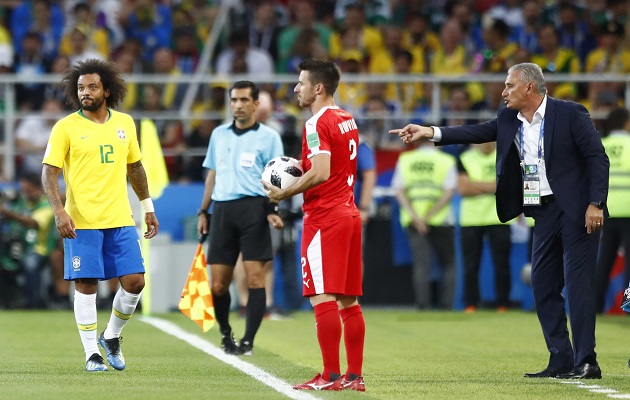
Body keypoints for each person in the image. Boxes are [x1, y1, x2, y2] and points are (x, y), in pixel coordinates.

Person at [390, 63, 609, 379]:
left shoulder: (570, 113)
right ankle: (560, 358)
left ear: (529, 87)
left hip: (578, 211)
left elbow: (597, 158)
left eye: (509, 86)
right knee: (542, 285)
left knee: (577, 287)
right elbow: (477, 131)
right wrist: (429, 131)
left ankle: (586, 360)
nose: (503, 92)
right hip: (543, 211)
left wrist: (595, 203)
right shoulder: (510, 119)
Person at [41, 58, 160, 372]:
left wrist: (148, 207)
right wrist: (58, 211)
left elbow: (135, 167)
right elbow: (49, 173)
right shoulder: (65, 127)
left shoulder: (124, 123)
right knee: (87, 284)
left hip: (120, 219)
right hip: (82, 222)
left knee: (135, 282)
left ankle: (112, 336)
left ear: (107, 89)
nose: (86, 92)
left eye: (92, 86)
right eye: (81, 87)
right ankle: (91, 353)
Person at [264, 58, 366, 392]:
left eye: (301, 83)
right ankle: (354, 376)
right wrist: (302, 165)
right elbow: (331, 166)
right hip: (349, 214)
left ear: (318, 88)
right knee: (349, 301)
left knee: (321, 298)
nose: (296, 88)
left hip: (325, 218)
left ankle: (329, 375)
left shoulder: (315, 124)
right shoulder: (347, 118)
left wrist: (284, 192)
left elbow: (321, 173)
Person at [196, 80, 284, 356]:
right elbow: (212, 174)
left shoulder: (269, 137)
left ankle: (248, 341)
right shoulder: (219, 134)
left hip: (254, 210)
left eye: (244, 100)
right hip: (222, 210)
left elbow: (277, 176)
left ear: (256, 104)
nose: (238, 105)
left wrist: (272, 209)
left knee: (255, 278)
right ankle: (225, 333)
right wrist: (203, 211)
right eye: (234, 100)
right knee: (219, 283)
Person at [392, 137, 457, 310]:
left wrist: (417, 217)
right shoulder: (446, 160)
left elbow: (398, 190)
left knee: (421, 265)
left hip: (414, 221)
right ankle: (447, 306)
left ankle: (423, 305)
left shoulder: (406, 160)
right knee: (449, 263)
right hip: (442, 219)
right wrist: (429, 216)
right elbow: (449, 191)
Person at [457, 143, 512, 313]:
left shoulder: (506, 156)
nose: (485, 143)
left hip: (499, 217)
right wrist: (494, 186)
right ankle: (470, 303)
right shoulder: (465, 157)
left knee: (502, 264)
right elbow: (463, 188)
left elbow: (508, 186)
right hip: (471, 219)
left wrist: (476, 184)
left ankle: (503, 303)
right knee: (471, 265)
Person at [0, 173, 56, 309]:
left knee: (30, 264)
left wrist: (8, 214)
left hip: (37, 249)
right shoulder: (19, 203)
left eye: (29, 190)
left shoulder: (46, 205)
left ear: (38, 188)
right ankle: (8, 301)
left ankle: (32, 303)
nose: (26, 193)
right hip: (15, 245)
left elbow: (33, 223)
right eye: (24, 190)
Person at [595, 107, 630, 313]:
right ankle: (628, 308)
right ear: (626, 123)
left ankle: (595, 306)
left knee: (604, 262)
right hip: (628, 209)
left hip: (605, 209)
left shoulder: (601, 145)